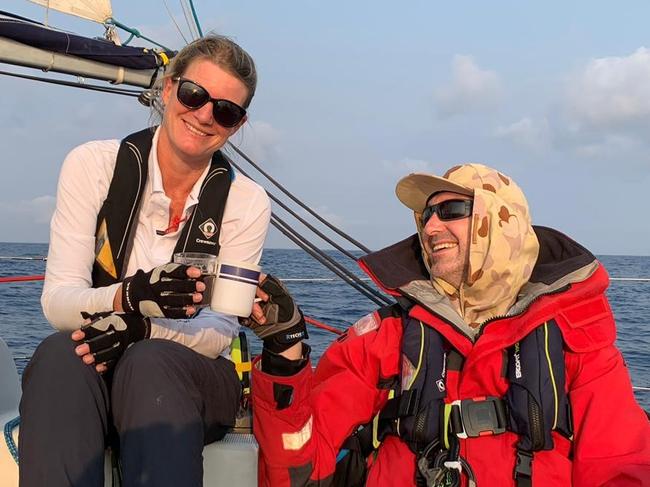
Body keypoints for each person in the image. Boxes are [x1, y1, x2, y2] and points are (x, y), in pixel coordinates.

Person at [246, 164, 650, 486]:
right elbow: (298, 468)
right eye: (426, 215)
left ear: (501, 221)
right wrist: (286, 351)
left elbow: (620, 465)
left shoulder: (578, 339)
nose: (431, 226)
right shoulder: (386, 337)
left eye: (452, 210)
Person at [18, 35, 271, 487]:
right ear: (169, 88)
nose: (204, 115)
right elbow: (57, 302)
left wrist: (143, 326)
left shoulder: (246, 202)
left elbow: (219, 332)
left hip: (196, 373)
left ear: (237, 124)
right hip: (102, 358)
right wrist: (130, 296)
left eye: (226, 112)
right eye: (194, 95)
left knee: (150, 362)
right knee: (59, 356)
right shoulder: (92, 166)